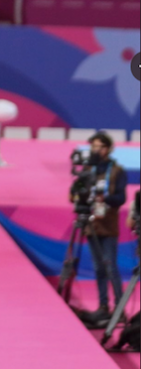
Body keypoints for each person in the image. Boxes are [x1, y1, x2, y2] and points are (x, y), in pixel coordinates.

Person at [75, 133, 127, 324]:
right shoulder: (88, 169)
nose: (97, 151)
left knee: (111, 266)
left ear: (109, 148)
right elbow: (78, 191)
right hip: (91, 223)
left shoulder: (117, 171)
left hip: (108, 223)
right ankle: (103, 307)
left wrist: (103, 199)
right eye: (94, 147)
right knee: (98, 268)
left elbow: (121, 198)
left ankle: (120, 309)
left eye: (100, 147)